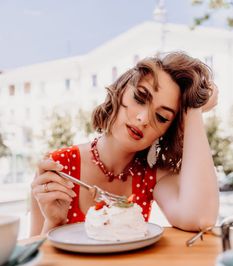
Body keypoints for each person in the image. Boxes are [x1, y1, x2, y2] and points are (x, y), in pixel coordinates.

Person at [30, 51, 219, 236]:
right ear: (120, 91)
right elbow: (29, 259)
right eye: (139, 98)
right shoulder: (58, 167)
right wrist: (54, 222)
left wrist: (193, 110)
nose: (143, 118)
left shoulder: (154, 178)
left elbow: (201, 218)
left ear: (167, 130)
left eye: (161, 117)